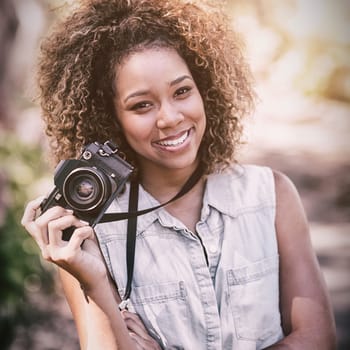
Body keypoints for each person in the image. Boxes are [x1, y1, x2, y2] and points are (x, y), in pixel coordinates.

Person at [21, 0, 336, 349]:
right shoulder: (88, 236)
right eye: (142, 105)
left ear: (206, 91)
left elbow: (318, 339)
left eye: (182, 91)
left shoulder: (271, 195)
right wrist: (94, 282)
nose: (169, 118)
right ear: (111, 119)